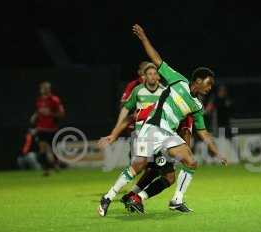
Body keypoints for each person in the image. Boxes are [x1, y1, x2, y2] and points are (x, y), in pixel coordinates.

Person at [97, 24, 227, 216]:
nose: (210, 88)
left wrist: (217, 153)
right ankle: (108, 196)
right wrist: (143, 38)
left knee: (190, 162)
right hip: (152, 128)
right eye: (208, 84)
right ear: (198, 81)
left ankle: (176, 200)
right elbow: (156, 59)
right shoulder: (177, 80)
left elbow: (203, 132)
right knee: (138, 166)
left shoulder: (197, 106)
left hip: (167, 134)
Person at [30, 81, 65, 176]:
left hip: (51, 129)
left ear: (49, 89)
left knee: (53, 149)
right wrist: (34, 116)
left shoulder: (54, 100)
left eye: (46, 88)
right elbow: (39, 111)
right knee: (42, 149)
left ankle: (56, 164)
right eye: (42, 88)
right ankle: (46, 169)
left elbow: (61, 113)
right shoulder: (39, 100)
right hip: (41, 128)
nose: (44, 90)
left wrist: (50, 114)